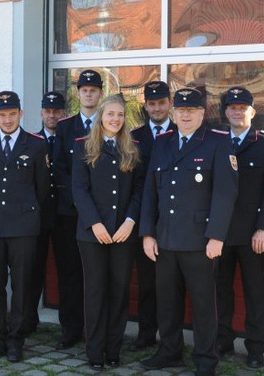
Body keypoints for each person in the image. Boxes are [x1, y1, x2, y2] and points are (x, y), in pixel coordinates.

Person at [139, 87, 238, 376]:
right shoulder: (163, 142)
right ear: (174, 112)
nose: (184, 115)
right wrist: (148, 233)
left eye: (191, 110)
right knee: (167, 302)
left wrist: (216, 236)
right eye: (180, 110)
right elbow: (150, 191)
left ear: (201, 113)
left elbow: (225, 193)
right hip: (166, 238)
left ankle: (206, 360)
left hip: (199, 241)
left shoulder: (218, 142)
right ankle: (169, 351)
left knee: (204, 304)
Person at [0, 90, 50, 363]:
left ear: (21, 114)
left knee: (22, 286)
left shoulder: (36, 144)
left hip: (24, 226)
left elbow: (42, 189)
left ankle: (16, 340)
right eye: (2, 115)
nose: (7, 120)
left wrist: (25, 212)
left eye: (12, 114)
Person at [72, 94, 145, 371]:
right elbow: (79, 189)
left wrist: (130, 221)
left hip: (123, 234)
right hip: (93, 234)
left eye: (120, 114)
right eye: (110, 113)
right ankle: (94, 352)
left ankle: (113, 349)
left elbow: (139, 190)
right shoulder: (83, 146)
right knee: (95, 292)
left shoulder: (132, 148)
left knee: (118, 291)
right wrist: (95, 223)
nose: (115, 119)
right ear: (100, 115)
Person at [216, 86, 264, 369]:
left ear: (252, 112)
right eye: (231, 107)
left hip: (252, 233)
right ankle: (222, 341)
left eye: (242, 107)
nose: (236, 111)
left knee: (255, 292)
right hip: (219, 232)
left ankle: (255, 348)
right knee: (221, 291)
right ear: (225, 112)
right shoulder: (216, 142)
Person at [52, 69, 104, 349]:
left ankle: (95, 329)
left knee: (96, 275)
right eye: (84, 89)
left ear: (100, 94)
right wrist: (79, 201)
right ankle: (70, 330)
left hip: (102, 216)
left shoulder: (110, 124)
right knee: (69, 273)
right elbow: (59, 168)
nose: (88, 93)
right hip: (70, 215)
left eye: (93, 89)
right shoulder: (65, 127)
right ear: (77, 93)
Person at [129, 80, 176, 351]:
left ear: (169, 104)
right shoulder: (135, 137)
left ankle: (171, 339)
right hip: (145, 218)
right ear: (145, 106)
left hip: (173, 220)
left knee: (172, 284)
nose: (157, 108)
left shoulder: (182, 131)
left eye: (161, 103)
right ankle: (146, 334)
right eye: (152, 104)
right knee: (147, 282)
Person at [27, 90, 66, 334]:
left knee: (67, 272)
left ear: (64, 113)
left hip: (64, 215)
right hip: (38, 216)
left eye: (56, 111)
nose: (52, 116)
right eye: (47, 111)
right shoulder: (32, 142)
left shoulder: (71, 139)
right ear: (41, 113)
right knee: (32, 270)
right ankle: (28, 321)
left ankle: (69, 325)